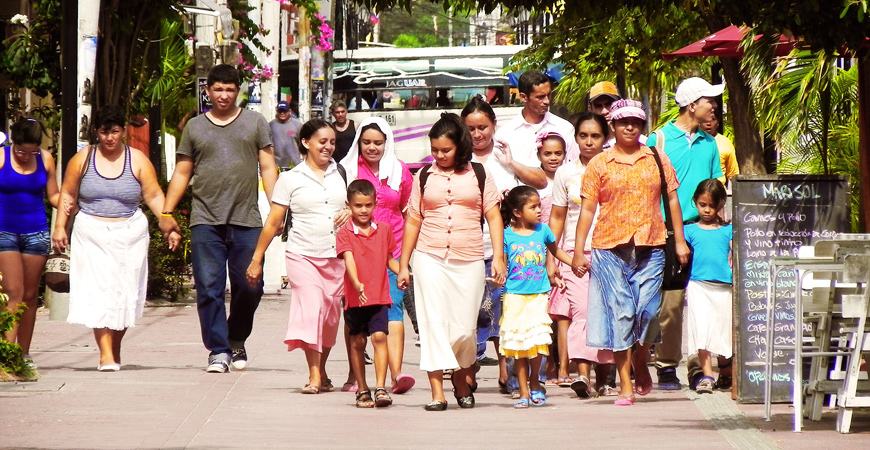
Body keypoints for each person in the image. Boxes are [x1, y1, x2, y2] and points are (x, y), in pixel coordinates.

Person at [159, 64, 278, 373]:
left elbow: (267, 166)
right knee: (209, 287)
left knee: (250, 286)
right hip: (205, 221)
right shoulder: (195, 127)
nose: (223, 95)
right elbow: (183, 171)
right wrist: (166, 211)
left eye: (229, 89)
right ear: (207, 91)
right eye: (218, 89)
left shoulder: (255, 123)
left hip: (247, 220)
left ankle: (236, 337)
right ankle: (219, 350)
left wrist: (278, 207)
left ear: (238, 92)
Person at [572, 99, 690, 406]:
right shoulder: (599, 163)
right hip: (609, 248)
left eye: (636, 122)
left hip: (652, 245)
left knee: (649, 312)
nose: (630, 127)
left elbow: (673, 199)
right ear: (612, 125)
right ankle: (625, 383)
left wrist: (678, 240)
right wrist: (578, 250)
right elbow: (587, 208)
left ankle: (641, 357)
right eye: (623, 122)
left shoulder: (656, 157)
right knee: (621, 314)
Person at [52, 106, 178, 371]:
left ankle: (114, 346)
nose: (110, 138)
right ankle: (105, 353)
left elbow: (154, 195)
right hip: (91, 231)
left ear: (124, 131)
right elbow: (67, 194)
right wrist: (60, 227)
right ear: (96, 132)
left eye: (115, 131)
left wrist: (168, 224)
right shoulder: (83, 158)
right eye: (104, 132)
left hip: (130, 232)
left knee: (124, 292)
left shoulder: (138, 159)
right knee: (98, 292)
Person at [396, 113, 506, 411]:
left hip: (469, 257)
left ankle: (460, 375)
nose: (439, 155)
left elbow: (493, 215)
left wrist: (498, 256)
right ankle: (437, 392)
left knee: (464, 328)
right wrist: (404, 263)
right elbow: (414, 219)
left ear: (460, 146)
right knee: (433, 325)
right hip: (429, 257)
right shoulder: (424, 176)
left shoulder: (479, 174)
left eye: (445, 150)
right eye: (434, 150)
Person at [245, 119, 350, 394]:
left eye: (332, 142)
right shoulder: (290, 179)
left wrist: (350, 211)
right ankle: (314, 374)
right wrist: (257, 259)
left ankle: (323, 371)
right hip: (302, 254)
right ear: (306, 143)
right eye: (322, 141)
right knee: (311, 309)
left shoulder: (341, 173)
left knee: (329, 317)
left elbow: (357, 205)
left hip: (336, 256)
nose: (328, 147)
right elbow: (274, 222)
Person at [646, 77, 724, 391]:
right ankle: (666, 366)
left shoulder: (710, 143)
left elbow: (717, 185)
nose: (715, 106)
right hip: (665, 233)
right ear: (692, 105)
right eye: (709, 100)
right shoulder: (659, 139)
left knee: (704, 302)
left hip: (704, 231)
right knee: (671, 304)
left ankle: (698, 368)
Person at [461, 97, 544, 392]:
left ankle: (506, 372)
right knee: (473, 313)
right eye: (471, 128)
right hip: (468, 247)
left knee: (504, 311)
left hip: (506, 249)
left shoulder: (506, 152)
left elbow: (541, 180)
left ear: (494, 126)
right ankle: (467, 369)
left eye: (483, 127)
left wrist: (512, 166)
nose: (477, 134)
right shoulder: (458, 160)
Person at [339, 117, 415, 395]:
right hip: (356, 254)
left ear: (387, 143)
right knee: (356, 315)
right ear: (358, 142)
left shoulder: (400, 172)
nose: (372, 148)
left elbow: (408, 211)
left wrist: (405, 258)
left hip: (391, 251)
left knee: (393, 309)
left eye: (378, 143)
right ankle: (354, 375)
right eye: (366, 142)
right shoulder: (346, 170)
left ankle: (396, 375)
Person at [547, 113, 616, 397]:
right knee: (583, 312)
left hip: (613, 251)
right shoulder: (566, 173)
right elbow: (557, 219)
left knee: (609, 314)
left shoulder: (615, 168)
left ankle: (605, 379)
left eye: (595, 136)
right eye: (583, 136)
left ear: (605, 138)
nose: (589, 142)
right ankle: (583, 375)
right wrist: (552, 258)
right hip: (575, 256)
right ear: (576, 138)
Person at [499, 186, 573, 408]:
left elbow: (556, 251)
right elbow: (502, 264)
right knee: (519, 345)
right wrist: (497, 277)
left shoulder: (543, 230)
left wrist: (574, 263)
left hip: (538, 295)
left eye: (539, 205)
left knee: (538, 341)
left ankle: (535, 382)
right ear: (517, 212)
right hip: (514, 296)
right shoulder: (506, 235)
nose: (539, 210)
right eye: (533, 207)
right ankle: (522, 390)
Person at [0, 117, 60, 369]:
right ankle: (8, 354)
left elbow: (54, 194)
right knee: (12, 293)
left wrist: (71, 204)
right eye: (20, 150)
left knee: (29, 296)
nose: (26, 156)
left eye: (31, 151)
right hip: (5, 231)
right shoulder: (2, 157)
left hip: (36, 232)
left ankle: (23, 354)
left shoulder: (45, 159)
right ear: (13, 143)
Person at [336, 179, 400, 408]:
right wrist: (356, 283)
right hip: (355, 298)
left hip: (379, 295)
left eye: (368, 205)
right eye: (358, 206)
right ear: (349, 205)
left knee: (380, 337)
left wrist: (404, 272)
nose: (363, 210)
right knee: (357, 342)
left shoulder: (384, 230)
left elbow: (390, 259)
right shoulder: (345, 233)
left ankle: (381, 387)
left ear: (375, 204)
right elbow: (349, 260)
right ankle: (362, 388)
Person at [684, 179, 733, 394]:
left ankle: (726, 372)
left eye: (712, 205)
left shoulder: (728, 230)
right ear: (695, 202)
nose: (707, 209)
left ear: (721, 204)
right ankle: (707, 376)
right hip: (698, 286)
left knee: (724, 331)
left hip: (724, 287)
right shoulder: (689, 231)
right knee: (701, 330)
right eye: (702, 204)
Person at [494, 70, 578, 164]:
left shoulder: (564, 128)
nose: (547, 101)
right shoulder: (506, 134)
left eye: (549, 95)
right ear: (523, 97)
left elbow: (573, 167)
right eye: (540, 97)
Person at [587, 81, 647, 150]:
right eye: (598, 106)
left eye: (609, 104)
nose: (604, 111)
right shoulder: (586, 144)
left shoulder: (642, 142)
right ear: (590, 109)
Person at [699, 116, 740, 186]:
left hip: (718, 192)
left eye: (713, 119)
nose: (708, 123)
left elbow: (733, 175)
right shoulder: (693, 142)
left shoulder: (726, 143)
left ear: (718, 123)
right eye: (705, 119)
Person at [270, 101, 303, 168]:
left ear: (289, 111)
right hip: (277, 166)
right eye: (280, 111)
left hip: (294, 165)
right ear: (276, 111)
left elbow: (303, 144)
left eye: (284, 111)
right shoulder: (270, 125)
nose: (282, 113)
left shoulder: (298, 125)